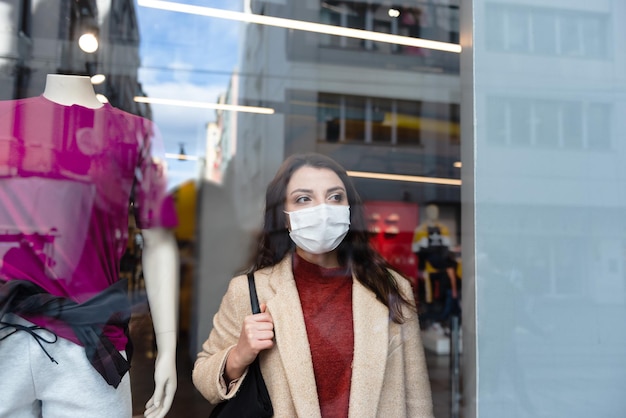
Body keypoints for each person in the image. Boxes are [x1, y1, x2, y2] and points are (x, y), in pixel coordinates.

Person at [193, 153, 434, 417]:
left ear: (349, 208)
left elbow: (417, 397)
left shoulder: (391, 287)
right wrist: (239, 355)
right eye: (303, 199)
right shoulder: (249, 290)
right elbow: (204, 379)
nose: (323, 210)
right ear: (283, 217)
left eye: (335, 197)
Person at [0, 74, 178, 418]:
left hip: (90, 341)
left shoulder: (137, 133)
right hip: (6, 332)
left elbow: (159, 243)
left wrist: (167, 347)